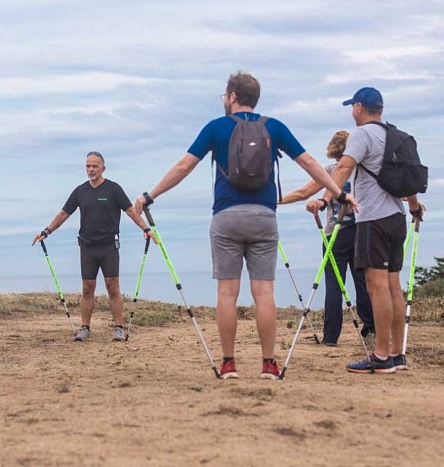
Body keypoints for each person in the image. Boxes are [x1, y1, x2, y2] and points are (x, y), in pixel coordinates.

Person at [133, 71, 357, 380]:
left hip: (226, 216)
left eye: (225, 96)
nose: (224, 100)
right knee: (264, 292)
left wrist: (150, 194)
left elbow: (184, 166)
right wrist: (339, 191)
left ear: (233, 96)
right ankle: (268, 363)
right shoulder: (274, 127)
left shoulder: (216, 127)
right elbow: (309, 163)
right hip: (264, 216)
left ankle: (229, 364)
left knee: (227, 292)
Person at [307, 87, 424, 374]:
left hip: (373, 219)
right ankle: (397, 353)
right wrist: (413, 206)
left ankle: (381, 355)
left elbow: (344, 166)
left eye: (352, 107)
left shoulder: (362, 134)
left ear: (360, 107)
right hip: (397, 217)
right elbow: (406, 179)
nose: (352, 112)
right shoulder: (393, 135)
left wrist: (325, 198)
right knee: (393, 286)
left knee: (376, 286)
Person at [32, 151, 155, 342]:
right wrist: (46, 231)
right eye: (88, 166)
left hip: (109, 246)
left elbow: (130, 211)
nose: (91, 169)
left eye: (95, 166)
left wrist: (146, 228)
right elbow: (64, 214)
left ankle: (118, 328)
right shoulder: (80, 191)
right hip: (87, 246)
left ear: (103, 168)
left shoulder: (114, 189)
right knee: (87, 288)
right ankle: (85, 328)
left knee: (112, 287)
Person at [281, 131, 374, 346]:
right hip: (361, 230)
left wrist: (275, 200)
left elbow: (304, 192)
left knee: (334, 284)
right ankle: (370, 328)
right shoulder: (363, 170)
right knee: (363, 280)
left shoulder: (331, 171)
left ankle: (331, 336)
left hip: (336, 233)